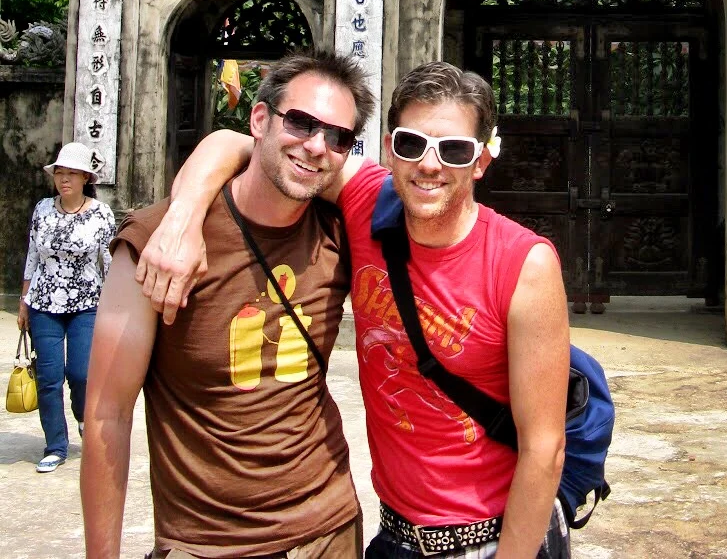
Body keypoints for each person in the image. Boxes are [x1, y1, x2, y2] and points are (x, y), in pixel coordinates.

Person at [138, 59, 571, 559]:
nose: (430, 165)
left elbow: (545, 449)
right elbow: (242, 144)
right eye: (412, 143)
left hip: (494, 538)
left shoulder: (524, 264)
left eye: (454, 150)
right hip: (392, 538)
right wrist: (183, 217)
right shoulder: (368, 199)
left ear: (480, 162)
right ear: (390, 149)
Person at [80, 53, 371, 559]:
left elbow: (413, 190)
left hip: (330, 529)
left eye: (339, 137)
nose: (316, 145)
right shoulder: (159, 245)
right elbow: (108, 414)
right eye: (301, 122)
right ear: (259, 118)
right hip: (208, 542)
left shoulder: (340, 231)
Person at [19, 141, 116, 473]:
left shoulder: (100, 214)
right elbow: (33, 256)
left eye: (72, 174)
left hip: (87, 303)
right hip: (43, 302)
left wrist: (117, 303)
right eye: (60, 173)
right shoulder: (43, 209)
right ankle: (55, 445)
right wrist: (24, 301)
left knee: (81, 373)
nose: (64, 180)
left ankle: (83, 419)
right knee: (48, 377)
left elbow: (109, 261)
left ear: (85, 178)